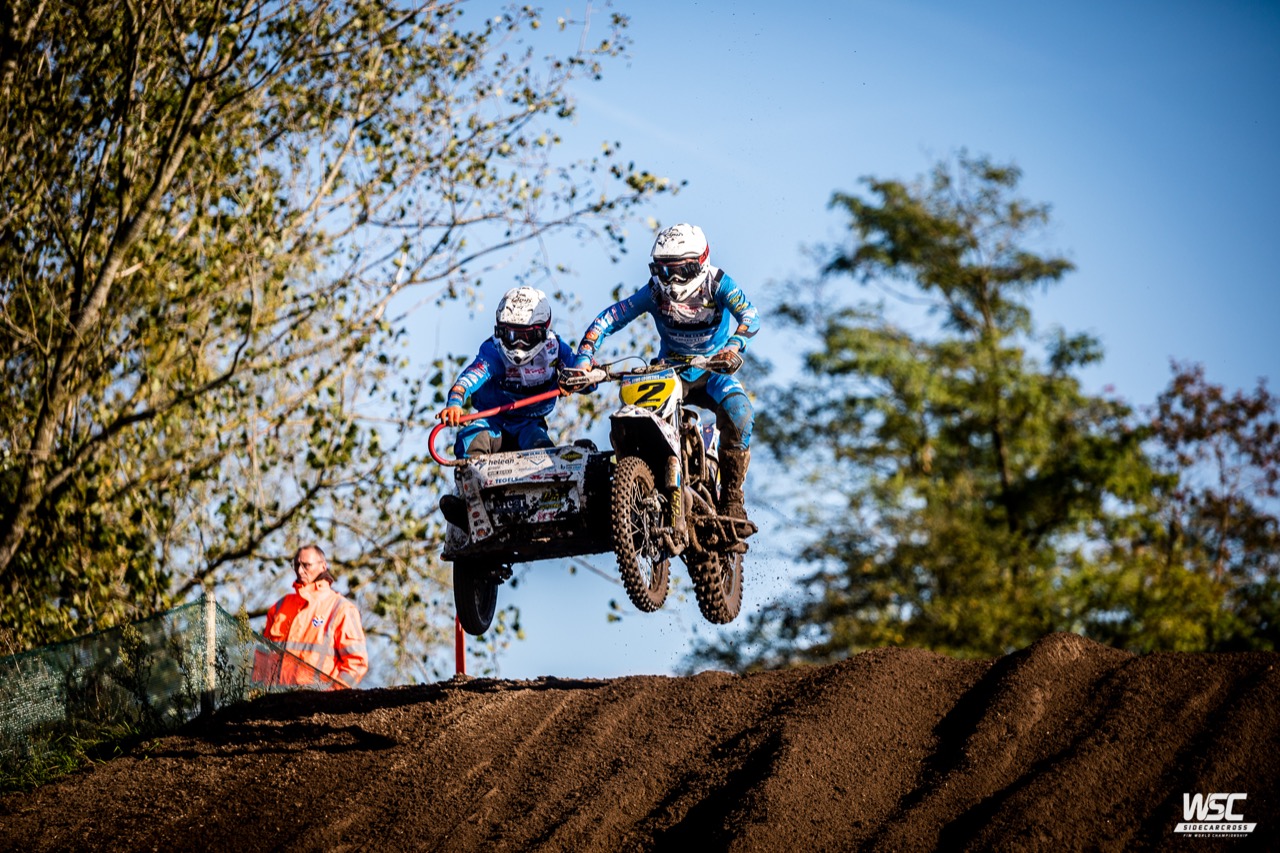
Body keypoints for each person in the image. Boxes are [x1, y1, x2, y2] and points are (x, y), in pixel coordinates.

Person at [561, 223, 759, 529]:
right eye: (663, 271)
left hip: (712, 370)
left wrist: (733, 346)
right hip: (669, 370)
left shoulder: (718, 283)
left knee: (740, 412)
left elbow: (750, 315)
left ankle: (732, 498)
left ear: (700, 263)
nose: (672, 280)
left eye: (681, 271)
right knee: (634, 416)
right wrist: (583, 359)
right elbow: (610, 318)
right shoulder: (654, 290)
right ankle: (637, 486)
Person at [436, 285, 575, 458]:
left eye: (525, 337)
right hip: (492, 421)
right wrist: (454, 404)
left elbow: (582, 374)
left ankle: (549, 475)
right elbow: (468, 380)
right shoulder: (494, 350)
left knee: (543, 451)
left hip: (529, 424)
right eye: (511, 335)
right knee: (469, 440)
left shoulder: (555, 349)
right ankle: (474, 473)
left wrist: (584, 377)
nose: (518, 344)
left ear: (541, 332)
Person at [257, 545, 369, 689]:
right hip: (276, 698)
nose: (300, 570)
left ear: (323, 566)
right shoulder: (280, 606)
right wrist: (258, 692)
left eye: (306, 565)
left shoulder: (341, 609)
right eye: (296, 565)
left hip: (319, 700)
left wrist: (333, 695)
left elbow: (357, 662)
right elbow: (263, 657)